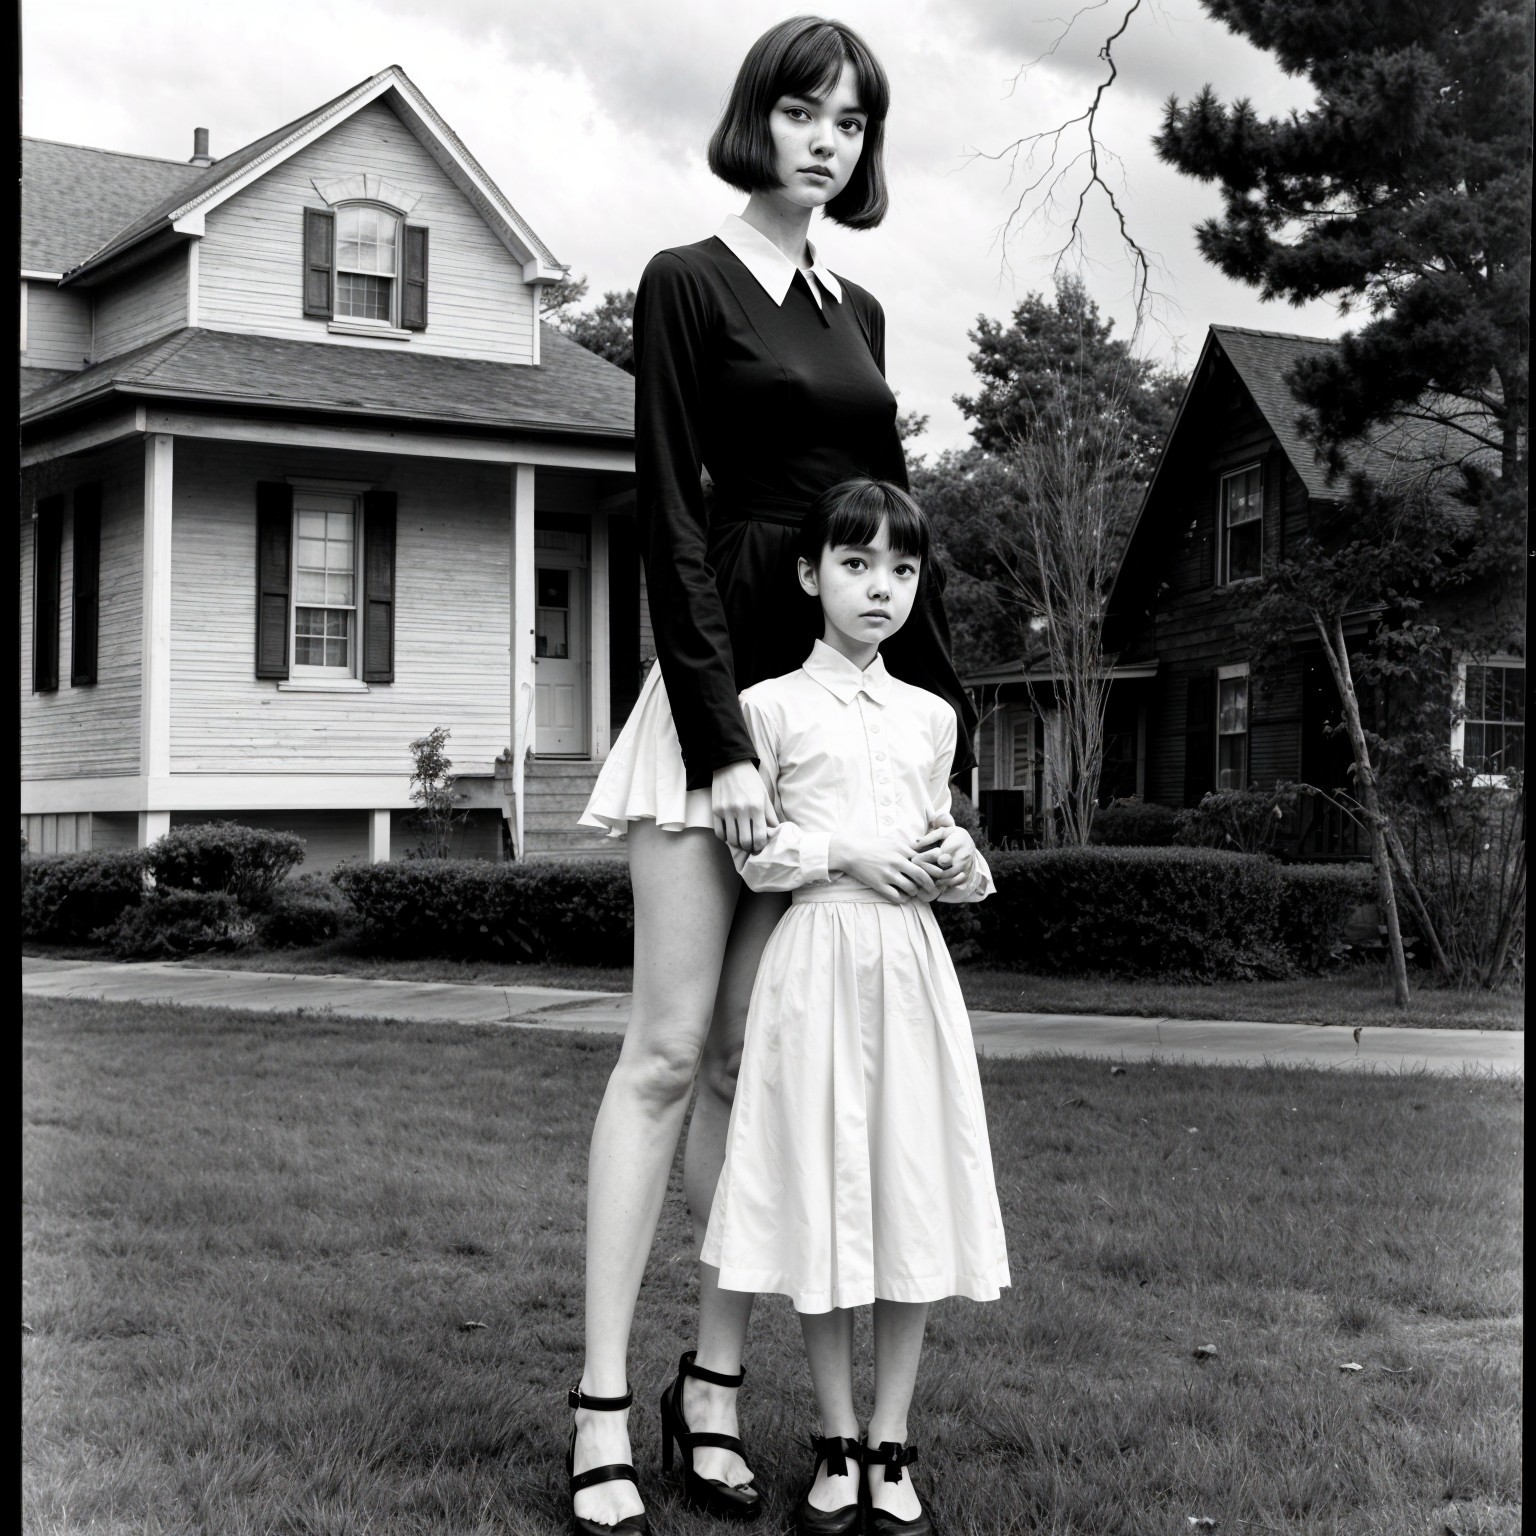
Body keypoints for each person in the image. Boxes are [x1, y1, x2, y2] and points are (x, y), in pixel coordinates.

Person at [567, 18, 978, 1535]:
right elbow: (670, 517)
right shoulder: (686, 280)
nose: (826, 140)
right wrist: (721, 742)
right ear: (758, 119)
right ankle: (600, 1406)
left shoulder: (858, 307)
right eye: (804, 111)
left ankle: (715, 1390)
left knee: (753, 1064)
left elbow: (887, 527)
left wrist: (936, 735)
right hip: (716, 705)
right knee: (669, 1052)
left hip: (826, 717)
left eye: (851, 122)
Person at [700, 479, 1010, 1536]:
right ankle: (835, 1438)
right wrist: (845, 852)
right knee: (828, 1195)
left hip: (911, 971)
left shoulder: (932, 716)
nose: (881, 587)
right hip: (816, 962)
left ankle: (890, 1436)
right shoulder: (768, 707)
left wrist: (956, 856)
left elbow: (945, 849)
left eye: (902, 569)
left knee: (907, 1188)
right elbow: (754, 855)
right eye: (857, 563)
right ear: (810, 575)